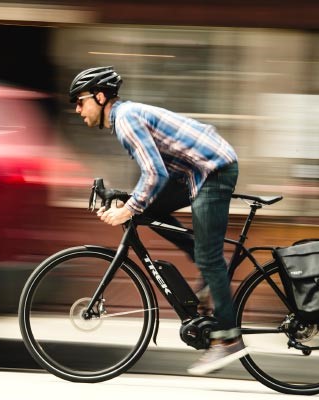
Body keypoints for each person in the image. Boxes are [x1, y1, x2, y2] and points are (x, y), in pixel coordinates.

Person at [69, 66, 247, 375]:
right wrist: (126, 197)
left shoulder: (124, 120)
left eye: (80, 100)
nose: (77, 109)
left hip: (213, 170)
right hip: (193, 171)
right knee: (147, 210)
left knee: (208, 256)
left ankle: (229, 339)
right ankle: (205, 270)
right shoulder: (125, 117)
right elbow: (153, 177)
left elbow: (154, 173)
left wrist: (128, 209)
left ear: (99, 96)